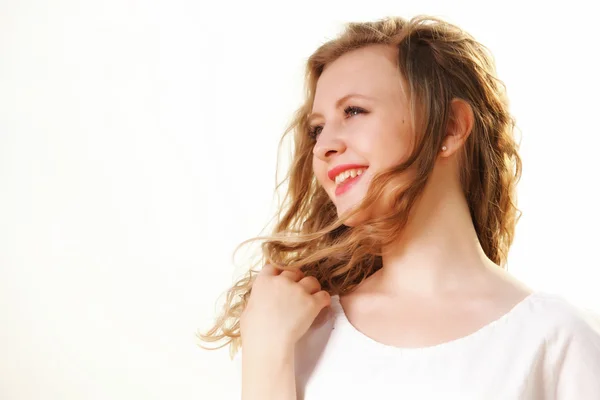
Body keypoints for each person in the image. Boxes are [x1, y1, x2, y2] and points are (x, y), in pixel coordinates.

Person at [197, 15, 600, 399]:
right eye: (317, 129)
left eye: (353, 111)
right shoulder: (300, 328)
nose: (323, 147)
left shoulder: (553, 339)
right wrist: (265, 357)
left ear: (450, 127)